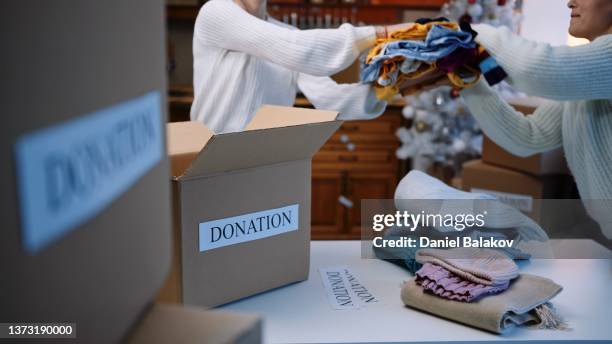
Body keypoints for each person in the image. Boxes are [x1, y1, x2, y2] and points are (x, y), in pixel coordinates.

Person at [453, 0, 612, 238]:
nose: (570, 3)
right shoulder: (586, 83)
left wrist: (464, 34)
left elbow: (535, 69)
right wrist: (468, 81)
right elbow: (528, 137)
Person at [190, 0, 411, 134]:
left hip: (266, 160)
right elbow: (295, 48)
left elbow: (331, 98)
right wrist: (380, 34)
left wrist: (393, 86)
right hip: (211, 159)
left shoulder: (288, 33)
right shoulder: (214, 12)